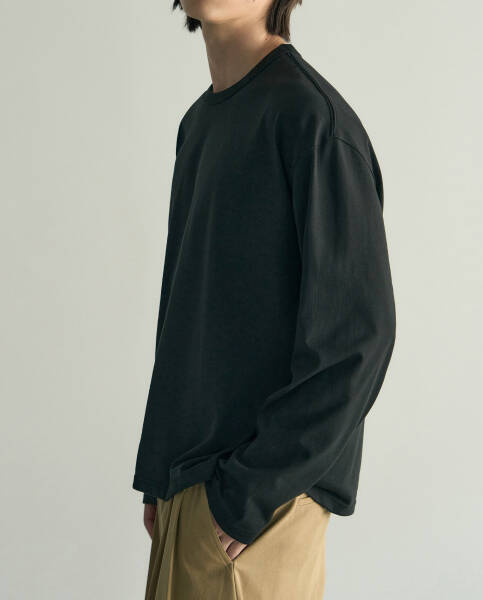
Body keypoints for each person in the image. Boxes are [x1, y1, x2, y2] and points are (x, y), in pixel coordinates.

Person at [133, 1, 396, 598]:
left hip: (257, 510)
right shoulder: (200, 123)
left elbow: (358, 337)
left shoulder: (312, 119)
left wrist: (249, 495)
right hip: (190, 489)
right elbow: (186, 311)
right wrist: (161, 472)